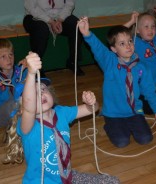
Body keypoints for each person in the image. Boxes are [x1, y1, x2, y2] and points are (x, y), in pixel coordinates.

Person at [9, 52, 120, 183]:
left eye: (43, 89)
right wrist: (31, 74)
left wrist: (91, 103)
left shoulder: (61, 112)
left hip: (67, 177)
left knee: (112, 181)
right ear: (22, 109)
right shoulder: (27, 125)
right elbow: (29, 108)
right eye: (34, 92)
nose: (41, 94)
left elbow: (93, 109)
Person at [78, 17, 156, 148]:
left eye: (130, 41)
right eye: (122, 44)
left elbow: (149, 90)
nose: (128, 46)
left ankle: (129, 124)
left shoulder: (141, 67)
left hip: (135, 111)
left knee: (146, 138)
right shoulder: (109, 62)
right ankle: (110, 125)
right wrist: (87, 34)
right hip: (114, 113)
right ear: (113, 49)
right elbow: (98, 48)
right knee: (122, 142)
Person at [21, 0, 85, 76]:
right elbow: (31, 7)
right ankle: (35, 67)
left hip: (59, 15)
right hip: (36, 16)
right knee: (41, 29)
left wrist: (60, 19)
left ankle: (72, 61)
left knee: (77, 25)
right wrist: (50, 21)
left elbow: (70, 3)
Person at [124, 6, 156, 114]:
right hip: (142, 85)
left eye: (153, 26)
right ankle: (134, 99)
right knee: (151, 109)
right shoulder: (134, 42)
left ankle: (151, 99)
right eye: (146, 26)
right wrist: (131, 21)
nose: (150, 29)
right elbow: (119, 34)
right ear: (137, 29)